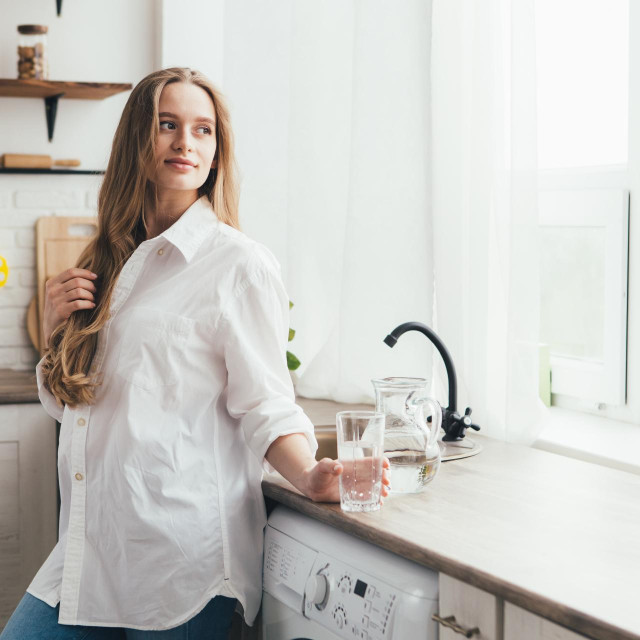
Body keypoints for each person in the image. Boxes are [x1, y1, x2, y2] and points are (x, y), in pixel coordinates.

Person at [0, 68, 390, 639]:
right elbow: (76, 409)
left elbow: (265, 403)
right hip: (90, 553)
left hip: (181, 565)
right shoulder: (108, 259)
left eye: (203, 130)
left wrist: (307, 473)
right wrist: (57, 333)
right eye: (167, 125)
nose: (186, 141)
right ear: (137, 139)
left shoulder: (239, 266)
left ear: (216, 152)